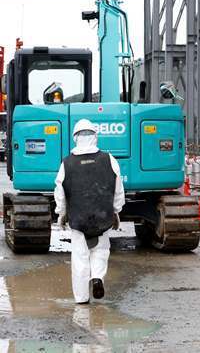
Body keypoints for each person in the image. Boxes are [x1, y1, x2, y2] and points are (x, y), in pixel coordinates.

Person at [54, 119, 125, 304]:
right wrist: (116, 211)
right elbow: (118, 189)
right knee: (100, 251)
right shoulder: (109, 159)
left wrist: (61, 213)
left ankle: (82, 298)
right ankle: (98, 278)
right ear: (95, 136)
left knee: (79, 258)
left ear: (75, 138)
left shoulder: (67, 163)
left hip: (78, 219)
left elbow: (60, 191)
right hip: (102, 217)